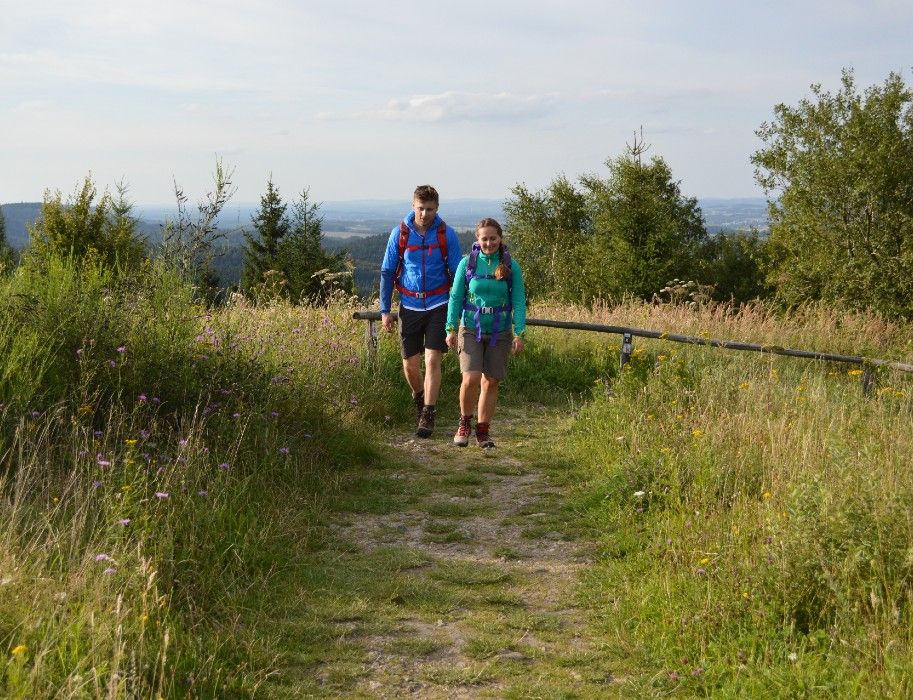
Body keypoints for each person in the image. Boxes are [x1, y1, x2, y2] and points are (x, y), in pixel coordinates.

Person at [380, 185, 463, 437]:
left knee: (432, 360)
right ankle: (419, 398)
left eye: (429, 209)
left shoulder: (446, 235)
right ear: (412, 205)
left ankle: (428, 412)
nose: (424, 214)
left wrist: (458, 312)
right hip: (409, 305)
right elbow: (387, 272)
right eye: (420, 208)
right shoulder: (400, 234)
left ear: (436, 209)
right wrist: (385, 310)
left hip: (439, 304)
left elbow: (459, 275)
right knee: (410, 366)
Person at [445, 218, 526, 448]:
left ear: (500, 238)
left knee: (491, 382)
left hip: (500, 330)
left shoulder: (511, 265)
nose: (489, 243)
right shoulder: (467, 264)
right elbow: (456, 297)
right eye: (484, 239)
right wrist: (450, 328)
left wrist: (519, 333)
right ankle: (464, 423)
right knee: (470, 378)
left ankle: (483, 431)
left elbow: (518, 300)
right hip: (470, 326)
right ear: (477, 239)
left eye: (493, 238)